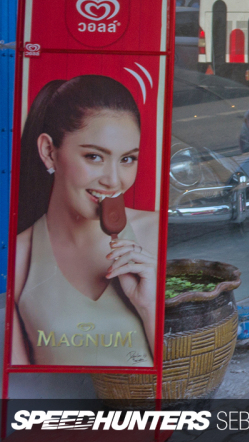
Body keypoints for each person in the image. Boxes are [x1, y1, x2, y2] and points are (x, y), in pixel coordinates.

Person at [10, 76, 157, 367]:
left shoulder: (156, 234)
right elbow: (19, 385)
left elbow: (180, 381)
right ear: (49, 152)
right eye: (94, 156)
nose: (114, 181)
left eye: (127, 159)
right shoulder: (19, 257)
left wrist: (149, 306)